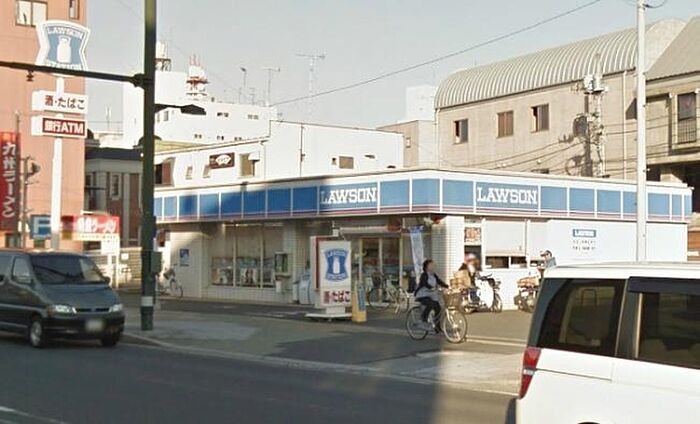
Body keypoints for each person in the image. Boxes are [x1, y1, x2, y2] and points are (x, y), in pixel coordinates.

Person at [415, 259, 448, 326]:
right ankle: (423, 318)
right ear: (427, 267)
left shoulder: (433, 275)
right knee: (431, 304)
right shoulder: (424, 275)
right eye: (431, 265)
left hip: (431, 295)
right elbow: (424, 283)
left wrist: (447, 286)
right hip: (422, 295)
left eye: (433, 265)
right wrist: (431, 287)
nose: (433, 266)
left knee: (438, 309)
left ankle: (437, 327)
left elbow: (439, 281)